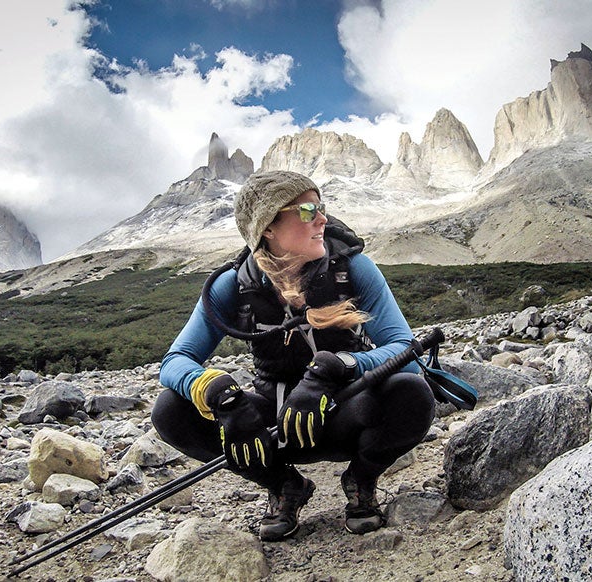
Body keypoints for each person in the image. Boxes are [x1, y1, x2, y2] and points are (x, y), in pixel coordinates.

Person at [154, 170, 435, 542]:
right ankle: (284, 485)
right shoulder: (235, 285)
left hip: (343, 411)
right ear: (268, 228)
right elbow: (175, 361)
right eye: (307, 211)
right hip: (270, 428)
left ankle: (361, 479)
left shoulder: (352, 268)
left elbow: (406, 351)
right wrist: (215, 391)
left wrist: (340, 367)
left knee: (412, 392)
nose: (323, 219)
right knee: (170, 411)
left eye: (322, 208)